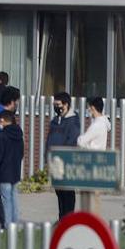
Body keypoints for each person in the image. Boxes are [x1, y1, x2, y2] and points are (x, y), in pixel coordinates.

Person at [47, 91, 81, 219]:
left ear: (66, 104)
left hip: (66, 163)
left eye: (58, 104)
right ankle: (62, 217)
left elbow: (72, 140)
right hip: (55, 162)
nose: (55, 106)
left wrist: (61, 156)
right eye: (54, 104)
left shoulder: (73, 121)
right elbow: (50, 138)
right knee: (59, 193)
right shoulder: (56, 120)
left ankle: (68, 217)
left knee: (67, 194)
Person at [0, 86, 21, 224]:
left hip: (2, 161)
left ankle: (5, 223)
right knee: (10, 195)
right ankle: (9, 222)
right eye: (17, 101)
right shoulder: (2, 117)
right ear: (12, 101)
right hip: (10, 162)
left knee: (5, 196)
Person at [0, 110, 24, 225]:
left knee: (6, 200)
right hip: (15, 171)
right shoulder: (19, 135)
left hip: (4, 172)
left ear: (2, 120)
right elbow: (21, 154)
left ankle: (7, 225)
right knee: (14, 198)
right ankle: (15, 223)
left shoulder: (2, 136)